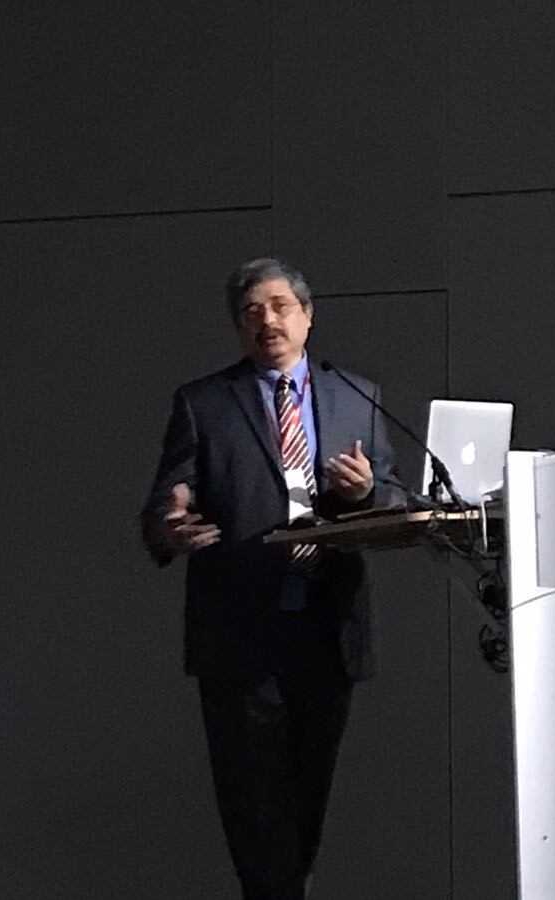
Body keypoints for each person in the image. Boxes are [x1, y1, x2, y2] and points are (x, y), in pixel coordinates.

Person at [140, 258, 398, 899]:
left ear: (308, 316)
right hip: (241, 638)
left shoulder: (356, 395)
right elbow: (164, 505)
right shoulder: (205, 403)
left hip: (326, 631)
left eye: (280, 306)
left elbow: (395, 497)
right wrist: (170, 528)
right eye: (251, 311)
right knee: (256, 817)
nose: (267, 321)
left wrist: (366, 492)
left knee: (307, 808)